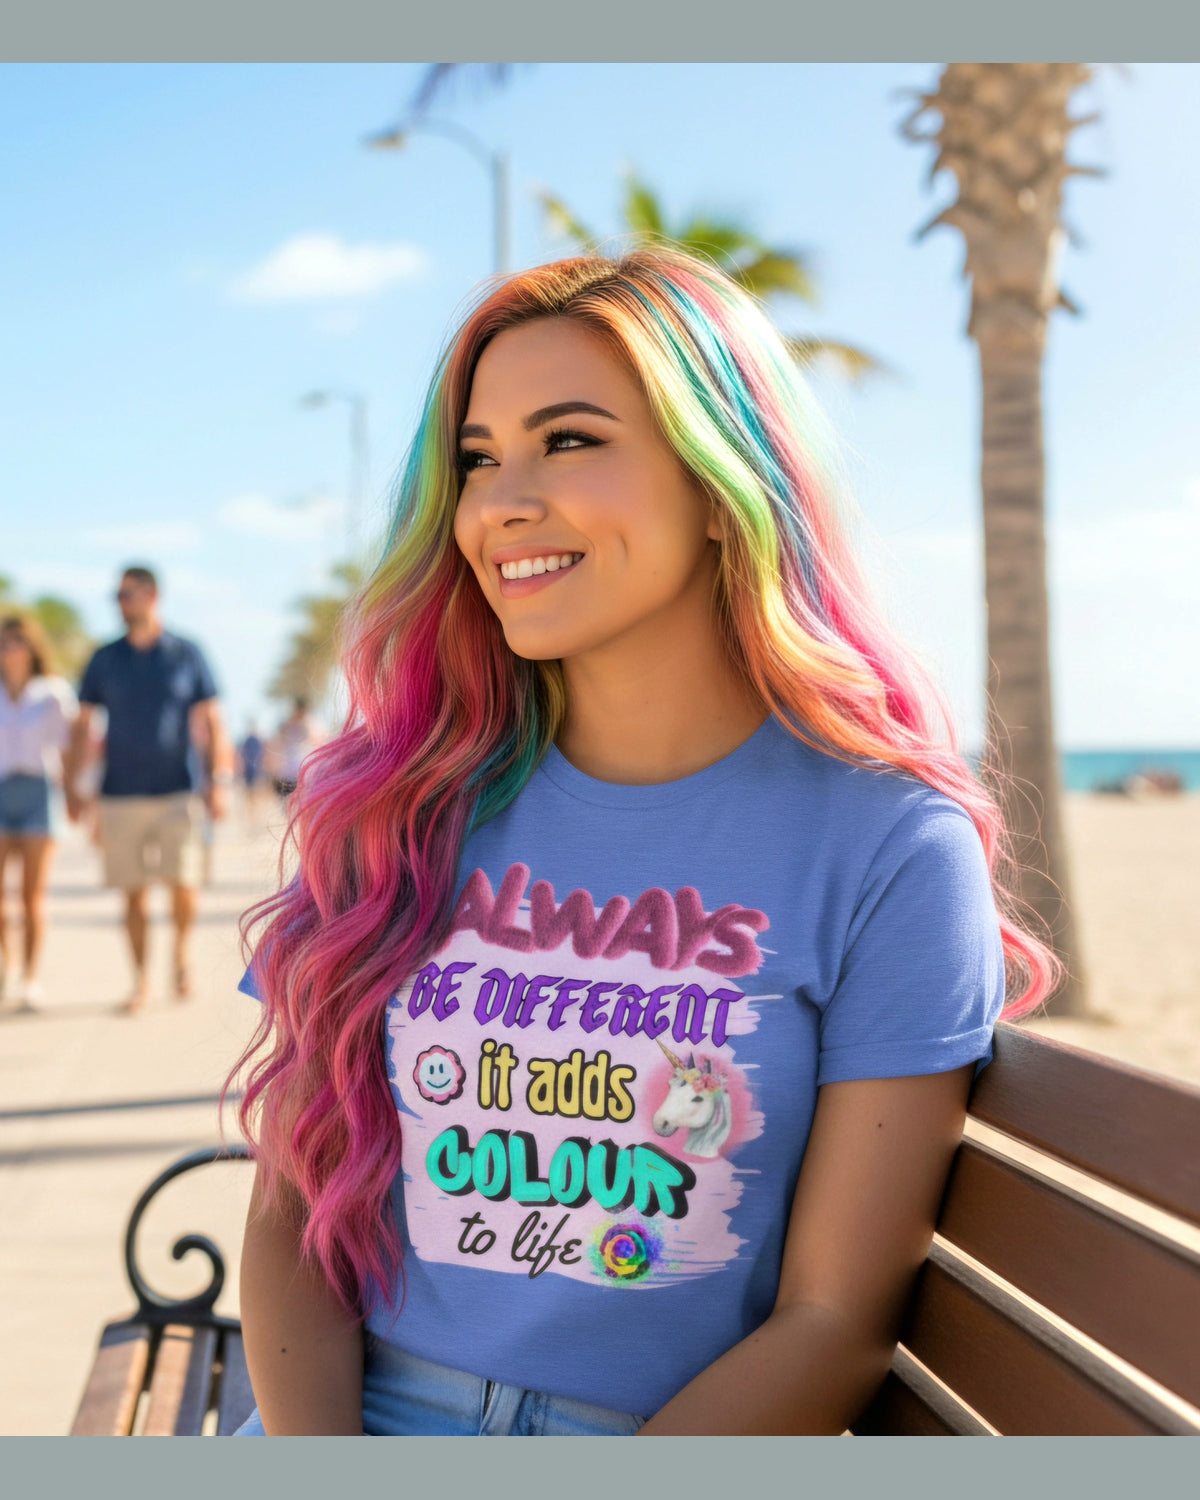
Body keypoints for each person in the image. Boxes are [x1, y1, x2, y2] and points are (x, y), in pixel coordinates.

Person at [229, 250, 1058, 1436]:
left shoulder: (887, 848)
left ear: (725, 485)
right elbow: (289, 1216)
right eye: (477, 459)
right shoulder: (401, 805)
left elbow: (835, 1322)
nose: (502, 501)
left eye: (568, 440)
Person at [63, 566, 234, 1012]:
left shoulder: (186, 653)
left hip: (178, 790)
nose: (121, 603)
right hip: (119, 794)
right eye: (117, 596)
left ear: (153, 595)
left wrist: (219, 782)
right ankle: (140, 980)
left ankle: (179, 954)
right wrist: (72, 786)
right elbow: (82, 726)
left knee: (183, 881)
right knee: (133, 892)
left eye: (129, 594)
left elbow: (213, 721)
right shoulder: (104, 658)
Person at [0, 614, 78, 1010]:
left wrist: (79, 794)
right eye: (3, 643)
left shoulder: (52, 692)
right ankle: (5, 969)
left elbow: (72, 744)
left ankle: (30, 977)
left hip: (39, 792)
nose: (9, 650)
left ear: (32, 648)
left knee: (31, 895)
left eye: (16, 642)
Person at [264, 697, 326, 800]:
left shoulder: (310, 725)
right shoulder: (287, 725)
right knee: (287, 805)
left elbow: (318, 742)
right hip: (289, 771)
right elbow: (277, 744)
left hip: (304, 772)